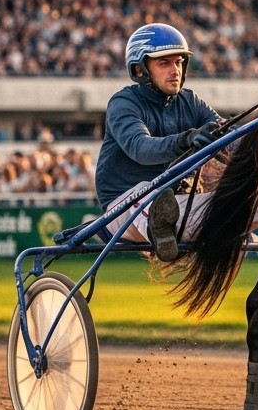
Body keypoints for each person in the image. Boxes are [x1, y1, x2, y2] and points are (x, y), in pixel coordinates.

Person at [95, 23, 223, 261]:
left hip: (178, 204)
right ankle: (161, 229)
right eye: (164, 63)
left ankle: (238, 227)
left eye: (179, 62)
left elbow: (227, 133)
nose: (175, 70)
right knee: (146, 193)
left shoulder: (191, 101)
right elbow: (140, 148)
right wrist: (187, 139)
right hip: (122, 211)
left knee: (244, 197)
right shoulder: (123, 103)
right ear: (140, 70)